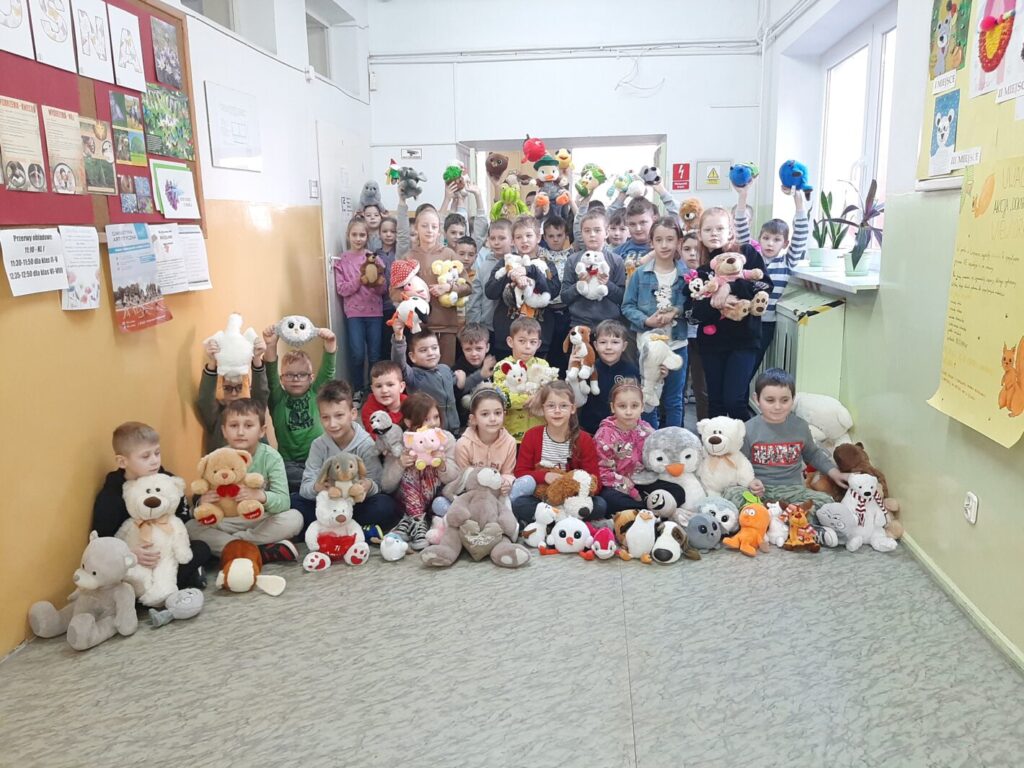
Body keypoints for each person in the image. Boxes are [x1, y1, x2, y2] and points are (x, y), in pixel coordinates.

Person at [720, 369, 848, 545]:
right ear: (757, 399)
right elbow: (740, 463)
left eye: (784, 400)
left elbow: (813, 453)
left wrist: (835, 473)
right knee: (731, 495)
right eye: (770, 400)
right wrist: (750, 482)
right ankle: (782, 522)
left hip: (793, 491)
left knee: (826, 502)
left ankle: (778, 522)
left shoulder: (800, 426)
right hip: (759, 492)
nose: (777, 406)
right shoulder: (748, 429)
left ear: (793, 399)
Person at [92, 421, 210, 589]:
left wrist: (174, 540)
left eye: (157, 453)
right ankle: (164, 585)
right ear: (122, 462)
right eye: (145, 456)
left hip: (167, 552)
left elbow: (182, 516)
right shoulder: (111, 496)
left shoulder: (166, 479)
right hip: (136, 558)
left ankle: (170, 582)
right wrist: (130, 553)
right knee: (117, 577)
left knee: (201, 548)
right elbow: (102, 541)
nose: (155, 461)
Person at [185, 399, 303, 560]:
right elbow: (202, 498)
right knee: (191, 527)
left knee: (295, 518)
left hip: (260, 520)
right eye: (234, 426)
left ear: (262, 431)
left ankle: (238, 547)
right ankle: (260, 551)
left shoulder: (271, 457)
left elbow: (284, 502)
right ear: (224, 431)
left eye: (248, 426)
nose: (240, 432)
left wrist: (261, 496)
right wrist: (202, 502)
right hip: (227, 521)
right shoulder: (217, 457)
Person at [688, 207, 774, 420]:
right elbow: (695, 313)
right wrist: (716, 302)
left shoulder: (747, 254)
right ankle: (716, 442)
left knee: (734, 400)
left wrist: (730, 287)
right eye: (708, 229)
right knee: (715, 402)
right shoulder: (703, 270)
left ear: (730, 232)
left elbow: (765, 286)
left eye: (720, 228)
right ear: (700, 235)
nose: (714, 233)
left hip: (743, 341)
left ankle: (746, 439)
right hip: (712, 343)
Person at [296, 379, 400, 538]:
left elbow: (378, 484)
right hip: (328, 505)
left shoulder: (365, 443)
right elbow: (305, 487)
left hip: (355, 506)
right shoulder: (318, 445)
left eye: (339, 415)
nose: (332, 424)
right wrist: (318, 487)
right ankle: (351, 530)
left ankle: (334, 530)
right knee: (294, 502)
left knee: (386, 506)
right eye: (325, 417)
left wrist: (367, 486)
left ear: (353, 414)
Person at [621, 216, 690, 428]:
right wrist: (646, 321)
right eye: (659, 240)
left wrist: (676, 311)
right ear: (651, 242)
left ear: (679, 242)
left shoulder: (686, 275)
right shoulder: (640, 274)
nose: (664, 245)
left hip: (677, 344)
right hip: (648, 346)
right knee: (649, 396)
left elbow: (692, 305)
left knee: (674, 399)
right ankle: (650, 440)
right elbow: (627, 306)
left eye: (670, 239)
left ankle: (674, 441)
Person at [734, 183, 808, 369]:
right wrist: (743, 195)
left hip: (766, 324)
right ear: (759, 238)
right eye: (766, 238)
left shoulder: (786, 262)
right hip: (743, 320)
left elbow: (801, 234)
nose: (770, 243)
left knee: (751, 367)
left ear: (785, 244)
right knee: (739, 367)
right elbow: (740, 227)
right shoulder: (751, 258)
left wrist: (798, 201)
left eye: (776, 240)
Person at [512, 381, 605, 524]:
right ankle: (564, 521)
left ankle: (552, 522)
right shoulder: (532, 436)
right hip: (542, 498)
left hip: (573, 500)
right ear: (542, 408)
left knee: (600, 505)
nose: (557, 411)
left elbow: (595, 481)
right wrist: (545, 476)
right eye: (551, 406)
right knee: (520, 504)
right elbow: (520, 473)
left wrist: (573, 485)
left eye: (563, 406)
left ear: (572, 408)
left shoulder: (584, 439)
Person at [380, 393, 460, 550]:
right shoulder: (399, 443)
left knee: (428, 471)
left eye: (436, 417)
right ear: (409, 422)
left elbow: (454, 477)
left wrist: (441, 464)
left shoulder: (446, 438)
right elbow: (386, 486)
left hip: (436, 500)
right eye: (426, 419)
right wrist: (400, 464)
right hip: (404, 501)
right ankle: (417, 520)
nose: (433, 423)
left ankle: (411, 522)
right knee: (411, 471)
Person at [263, 324, 337, 491]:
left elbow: (328, 371)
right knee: (281, 474)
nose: (296, 379)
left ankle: (312, 486)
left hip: (318, 459)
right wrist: (271, 345)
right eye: (289, 375)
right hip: (289, 464)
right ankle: (312, 487)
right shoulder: (277, 398)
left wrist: (330, 343)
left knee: (337, 467)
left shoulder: (317, 394)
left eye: (302, 374)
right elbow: (270, 374)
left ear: (311, 378)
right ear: (282, 379)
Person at [394, 199, 468, 366]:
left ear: (439, 230)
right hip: (417, 326)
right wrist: (408, 294)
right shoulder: (408, 257)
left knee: (445, 371)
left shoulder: (449, 254)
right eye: (424, 226)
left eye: (434, 227)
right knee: (420, 373)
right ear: (416, 228)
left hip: (447, 326)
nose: (429, 230)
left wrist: (448, 287)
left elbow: (467, 286)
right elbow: (393, 291)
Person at [432, 386, 521, 517]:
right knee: (439, 504)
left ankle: (496, 518)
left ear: (504, 414)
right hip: (470, 497)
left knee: (525, 484)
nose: (493, 419)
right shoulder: (463, 444)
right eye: (485, 414)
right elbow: (461, 480)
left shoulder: (510, 442)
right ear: (473, 419)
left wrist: (506, 482)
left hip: (497, 494)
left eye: (498, 413)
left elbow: (508, 473)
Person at [485, 215, 560, 359]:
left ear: (538, 237)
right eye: (519, 237)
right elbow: (490, 292)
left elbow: (553, 290)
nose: (524, 240)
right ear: (513, 241)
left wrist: (530, 270)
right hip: (507, 337)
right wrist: (510, 274)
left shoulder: (546, 264)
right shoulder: (505, 262)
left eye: (529, 235)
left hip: (538, 338)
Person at [334, 217, 386, 402]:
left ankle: (373, 391)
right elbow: (342, 289)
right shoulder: (342, 260)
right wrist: (360, 279)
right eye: (354, 234)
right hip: (354, 314)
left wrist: (375, 282)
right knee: (357, 354)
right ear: (348, 235)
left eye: (362, 235)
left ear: (367, 236)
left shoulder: (374, 258)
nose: (358, 238)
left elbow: (383, 290)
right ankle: (357, 389)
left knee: (374, 355)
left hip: (375, 313)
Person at [196, 335, 268, 454]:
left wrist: (257, 358)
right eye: (228, 389)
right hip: (226, 463)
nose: (234, 393)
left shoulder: (255, 408)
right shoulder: (217, 415)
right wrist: (213, 362)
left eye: (239, 388)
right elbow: (205, 399)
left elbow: (261, 391)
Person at [560, 208, 626, 332]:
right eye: (587, 231)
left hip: (609, 325)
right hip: (579, 323)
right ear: (581, 233)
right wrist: (578, 286)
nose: (592, 235)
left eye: (597, 230)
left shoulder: (616, 261)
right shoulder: (573, 261)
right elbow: (564, 297)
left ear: (606, 233)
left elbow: (622, 298)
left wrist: (607, 284)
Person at [491, 316, 556, 442]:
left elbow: (553, 393)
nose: (528, 346)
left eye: (533, 342)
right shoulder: (502, 366)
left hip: (539, 433)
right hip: (511, 435)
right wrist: (534, 399)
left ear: (539, 344)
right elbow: (502, 398)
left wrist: (542, 398)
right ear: (510, 341)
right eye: (522, 341)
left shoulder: (543, 365)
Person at [594, 380, 654, 515]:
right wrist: (631, 490)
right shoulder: (604, 435)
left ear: (642, 407)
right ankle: (645, 510)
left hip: (642, 480)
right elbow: (602, 472)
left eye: (634, 406)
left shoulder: (647, 430)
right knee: (609, 500)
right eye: (622, 406)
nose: (628, 412)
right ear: (612, 407)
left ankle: (647, 509)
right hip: (616, 484)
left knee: (674, 489)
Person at [391, 324, 459, 433]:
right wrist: (399, 338)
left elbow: (457, 383)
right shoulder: (414, 375)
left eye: (434, 348)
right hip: (425, 433)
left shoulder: (445, 369)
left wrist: (464, 378)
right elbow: (399, 365)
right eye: (423, 350)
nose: (430, 353)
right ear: (412, 356)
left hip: (454, 430)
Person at [577, 319, 641, 434]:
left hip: (622, 431)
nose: (608, 347)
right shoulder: (588, 369)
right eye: (603, 342)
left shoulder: (631, 371)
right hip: (591, 429)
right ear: (595, 345)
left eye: (615, 342)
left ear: (624, 346)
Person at [465, 218, 513, 340]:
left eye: (502, 238)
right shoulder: (484, 266)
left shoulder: (518, 262)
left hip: (514, 326)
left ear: (512, 240)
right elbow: (475, 298)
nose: (496, 243)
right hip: (488, 327)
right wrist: (474, 326)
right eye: (492, 238)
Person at [680, 229, 709, 424]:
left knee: (702, 387)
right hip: (680, 336)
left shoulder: (711, 276)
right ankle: (677, 428)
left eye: (697, 249)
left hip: (703, 339)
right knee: (678, 387)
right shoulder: (677, 276)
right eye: (687, 249)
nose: (692, 254)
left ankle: (704, 428)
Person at [453, 322, 496, 428]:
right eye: (468, 349)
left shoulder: (494, 365)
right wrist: (460, 386)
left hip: (492, 419)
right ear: (462, 349)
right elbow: (454, 397)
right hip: (467, 424)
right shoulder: (457, 370)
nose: (474, 354)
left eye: (479, 348)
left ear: (487, 347)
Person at [360, 360, 407, 433]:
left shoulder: (410, 404)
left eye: (390, 385)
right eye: (378, 386)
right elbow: (378, 435)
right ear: (372, 389)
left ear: (401, 387)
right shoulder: (369, 410)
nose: (384, 390)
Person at [376, 215, 398, 361]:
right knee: (385, 344)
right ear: (379, 234)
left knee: (400, 342)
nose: (389, 234)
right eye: (385, 231)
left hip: (400, 305)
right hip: (382, 307)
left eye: (392, 231)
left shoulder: (401, 253)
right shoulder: (374, 255)